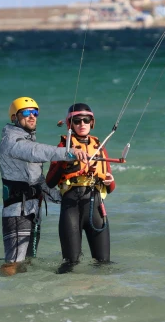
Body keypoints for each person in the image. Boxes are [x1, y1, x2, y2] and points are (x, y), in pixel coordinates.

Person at [0, 96, 90, 275]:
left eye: (35, 112)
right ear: (14, 118)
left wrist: (63, 198)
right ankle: (5, 293)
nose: (32, 116)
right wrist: (69, 152)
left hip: (32, 210)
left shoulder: (27, 140)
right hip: (17, 212)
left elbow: (38, 181)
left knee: (28, 261)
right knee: (14, 262)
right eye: (26, 113)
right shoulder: (12, 141)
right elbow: (36, 152)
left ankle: (23, 296)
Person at [46, 103, 117, 273]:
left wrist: (109, 181)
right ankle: (66, 297)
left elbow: (111, 187)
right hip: (71, 207)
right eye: (77, 121)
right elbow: (50, 181)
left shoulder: (99, 146)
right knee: (70, 263)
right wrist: (66, 158)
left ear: (92, 123)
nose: (82, 124)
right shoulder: (63, 147)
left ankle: (102, 295)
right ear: (70, 124)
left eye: (86, 120)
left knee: (104, 263)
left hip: (96, 207)